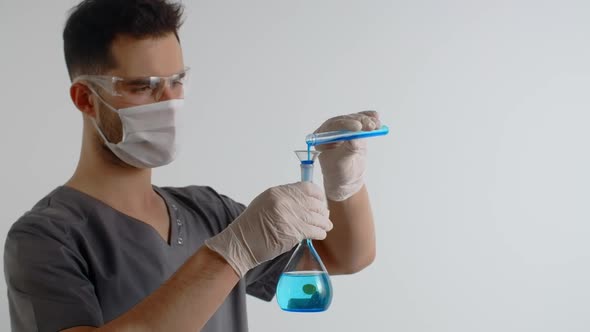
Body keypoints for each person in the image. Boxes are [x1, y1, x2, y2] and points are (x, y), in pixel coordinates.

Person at [3, 0, 381, 331]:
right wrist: (231, 253)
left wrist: (345, 186)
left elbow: (344, 256)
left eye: (177, 81)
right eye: (143, 86)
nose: (169, 102)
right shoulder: (45, 238)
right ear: (86, 98)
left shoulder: (208, 211)